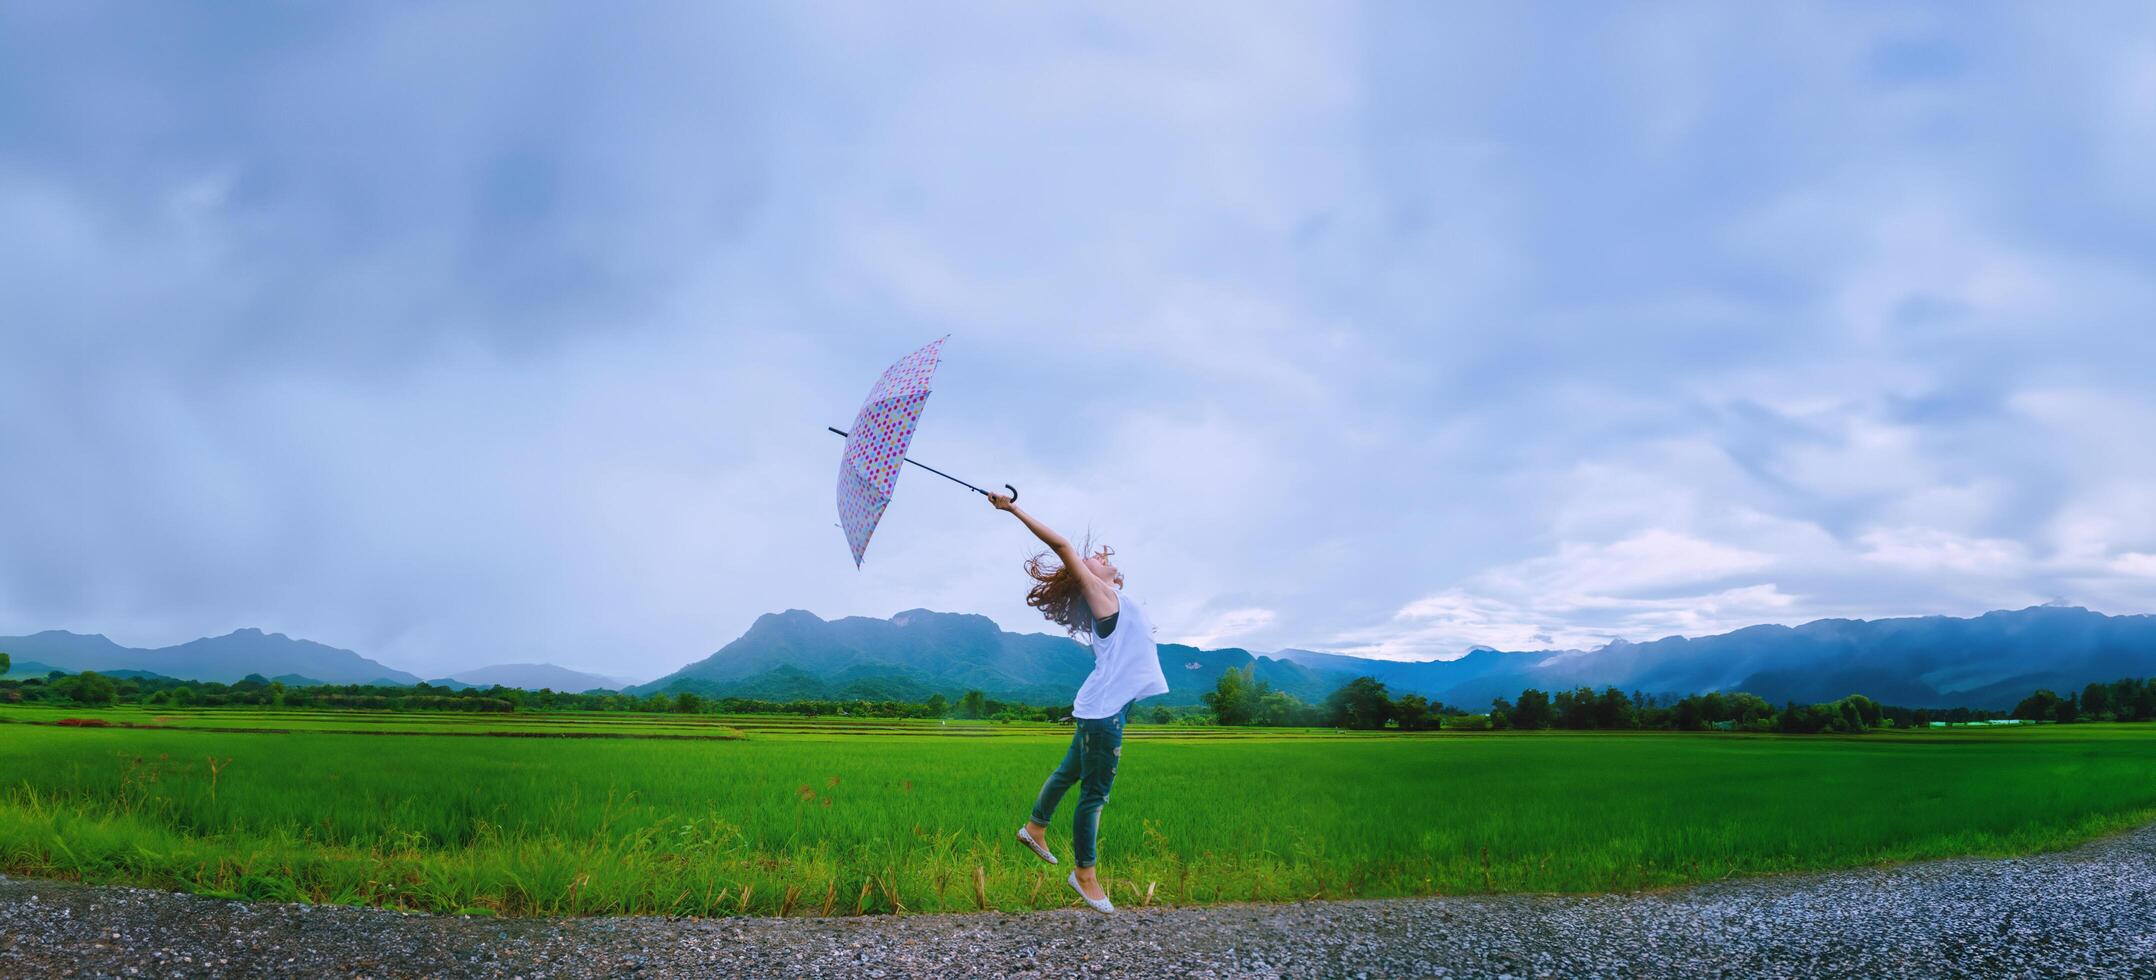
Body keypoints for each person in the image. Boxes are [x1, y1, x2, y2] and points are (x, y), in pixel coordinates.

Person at [989, 492, 1168, 914]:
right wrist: (1012, 508)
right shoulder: (1100, 597)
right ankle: (1084, 875)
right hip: (1104, 713)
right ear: (1084, 575)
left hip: (1103, 706)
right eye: (1092, 559)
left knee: (1069, 771)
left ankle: (1035, 827)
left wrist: (1110, 571)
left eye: (1102, 558)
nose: (1099, 556)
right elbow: (1064, 547)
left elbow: (1108, 577)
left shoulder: (1114, 596)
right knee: (1095, 794)